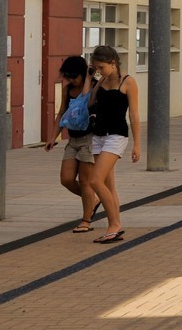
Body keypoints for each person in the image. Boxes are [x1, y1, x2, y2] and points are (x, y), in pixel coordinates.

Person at [87, 44, 140, 244]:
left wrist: (137, 145)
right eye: (96, 68)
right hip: (99, 135)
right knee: (109, 185)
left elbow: (134, 115)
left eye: (101, 67)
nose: (99, 70)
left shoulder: (128, 82)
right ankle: (114, 226)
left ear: (112, 63)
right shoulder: (101, 82)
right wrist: (95, 80)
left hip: (116, 135)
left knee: (94, 181)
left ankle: (114, 224)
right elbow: (90, 101)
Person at [46, 54, 98, 233]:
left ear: (83, 74)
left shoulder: (94, 86)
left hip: (89, 139)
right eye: (67, 77)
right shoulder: (67, 89)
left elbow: (85, 99)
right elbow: (61, 113)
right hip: (73, 139)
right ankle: (94, 200)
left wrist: (89, 78)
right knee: (66, 179)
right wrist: (53, 137)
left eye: (73, 77)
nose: (70, 80)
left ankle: (86, 220)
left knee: (85, 181)